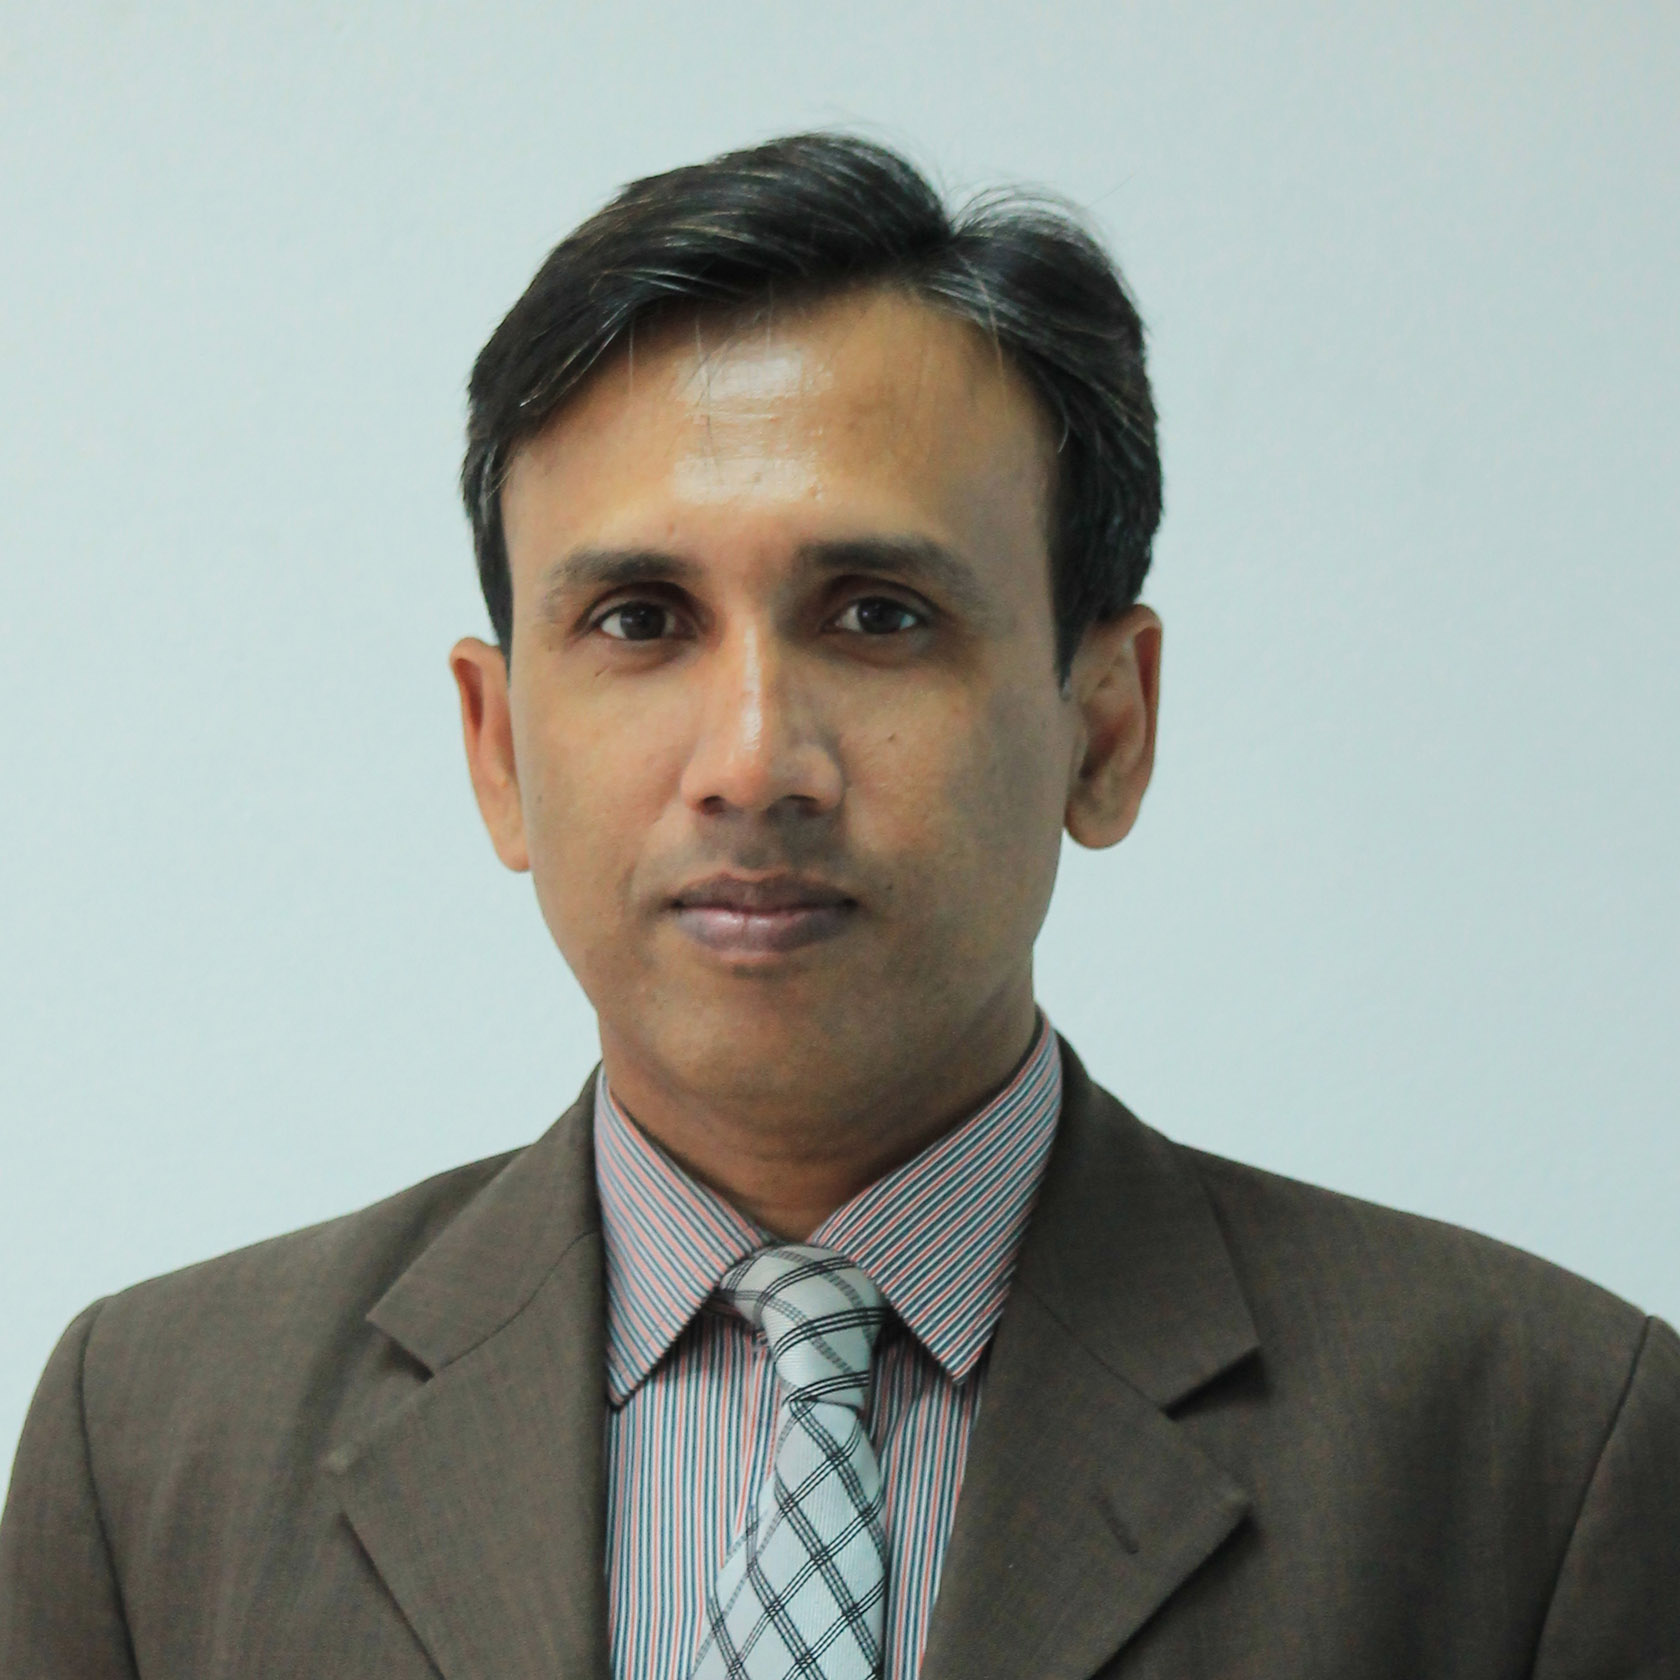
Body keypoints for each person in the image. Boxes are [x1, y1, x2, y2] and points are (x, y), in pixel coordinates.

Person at [2, 131, 1675, 1680]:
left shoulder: (1538, 1452)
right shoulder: (153, 1448)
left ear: (1106, 728)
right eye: (641, 620)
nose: (753, 762)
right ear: (499, 749)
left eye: (878, 615)